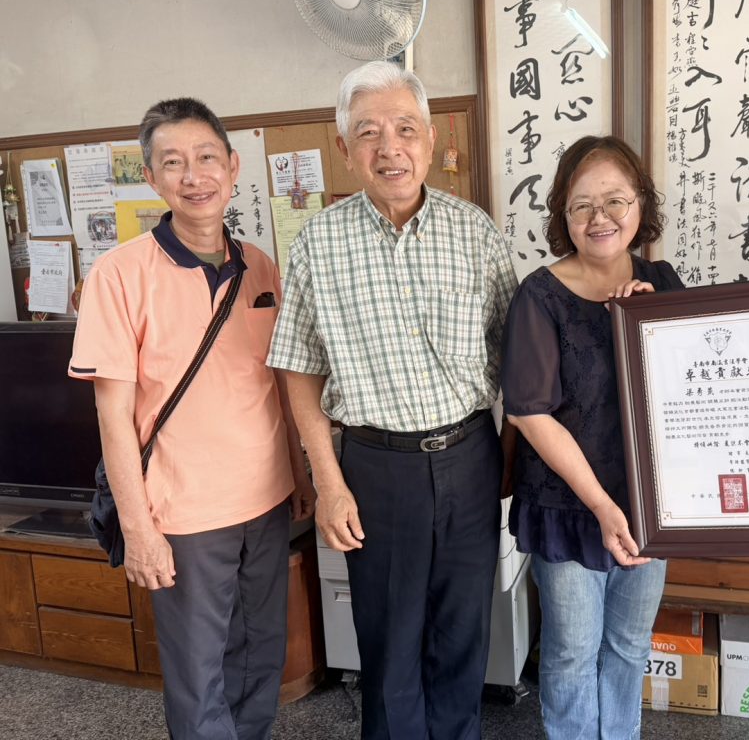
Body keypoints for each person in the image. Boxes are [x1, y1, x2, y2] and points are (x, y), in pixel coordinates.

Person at [267, 61, 518, 740]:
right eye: (368, 132)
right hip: (374, 468)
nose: (389, 148)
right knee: (388, 647)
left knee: (463, 638)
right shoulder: (319, 242)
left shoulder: (476, 232)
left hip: (469, 455)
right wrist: (328, 483)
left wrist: (512, 460)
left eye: (405, 129)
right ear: (344, 148)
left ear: (430, 140)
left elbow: (521, 357)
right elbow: (299, 369)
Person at [69, 97, 316, 740]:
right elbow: (112, 418)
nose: (193, 175)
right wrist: (139, 530)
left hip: (267, 501)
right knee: (200, 677)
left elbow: (278, 383)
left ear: (232, 168)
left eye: (206, 157)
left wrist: (299, 474)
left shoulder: (259, 266)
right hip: (182, 516)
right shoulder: (118, 275)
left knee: (261, 659)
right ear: (152, 177)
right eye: (173, 162)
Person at [501, 135, 683, 740]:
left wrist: (655, 323)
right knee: (573, 651)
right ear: (564, 214)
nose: (599, 217)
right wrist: (603, 508)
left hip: (650, 504)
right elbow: (530, 413)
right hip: (569, 505)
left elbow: (695, 389)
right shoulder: (541, 294)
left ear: (640, 205)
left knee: (629, 645)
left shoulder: (661, 281)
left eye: (615, 200)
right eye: (581, 204)